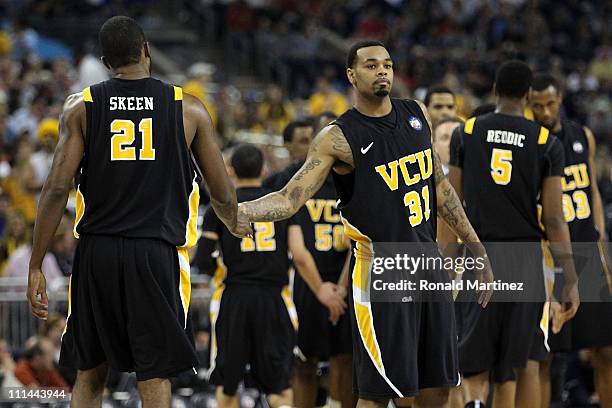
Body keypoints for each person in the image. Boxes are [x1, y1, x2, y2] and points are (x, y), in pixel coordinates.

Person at [236, 40, 494, 408]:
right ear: (351, 75)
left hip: (429, 261)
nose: (382, 71)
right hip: (383, 267)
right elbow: (290, 197)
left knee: (438, 386)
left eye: (387, 64)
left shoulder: (416, 114)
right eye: (371, 65)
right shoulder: (338, 137)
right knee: (378, 391)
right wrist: (240, 211)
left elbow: (440, 189)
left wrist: (477, 246)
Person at [26, 16, 248, 408]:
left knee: (90, 370)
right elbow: (222, 193)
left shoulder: (82, 106)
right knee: (154, 371)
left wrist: (36, 264)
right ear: (146, 49)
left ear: (105, 60)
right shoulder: (188, 109)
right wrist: (235, 222)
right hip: (154, 252)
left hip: (98, 252)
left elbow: (57, 187)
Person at [448, 61, 580, 408]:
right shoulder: (545, 141)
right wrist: (569, 276)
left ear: (494, 90)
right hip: (524, 261)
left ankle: (475, 404)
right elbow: (553, 218)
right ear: (526, 96)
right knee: (515, 367)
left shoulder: (468, 131)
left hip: (480, 257)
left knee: (474, 364)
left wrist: (445, 264)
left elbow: (452, 207)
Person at [200, 144, 345, 408]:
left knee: (228, 384)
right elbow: (300, 255)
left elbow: (202, 259)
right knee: (279, 387)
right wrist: (320, 288)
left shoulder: (220, 207)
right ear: (264, 170)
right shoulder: (279, 206)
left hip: (234, 298)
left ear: (230, 170)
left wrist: (220, 267)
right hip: (273, 298)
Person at [530, 73, 612, 408]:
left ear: (561, 99)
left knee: (605, 349)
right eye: (536, 105)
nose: (544, 111)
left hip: (586, 254)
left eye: (549, 103)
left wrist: (599, 239)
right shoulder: (530, 145)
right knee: (548, 356)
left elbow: (591, 188)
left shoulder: (583, 136)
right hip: (550, 258)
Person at [287, 112, 354, 408]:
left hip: (344, 285)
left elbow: (360, 242)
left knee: (346, 359)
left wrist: (338, 289)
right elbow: (297, 251)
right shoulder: (300, 181)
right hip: (311, 284)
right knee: (306, 361)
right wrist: (326, 290)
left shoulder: (355, 183)